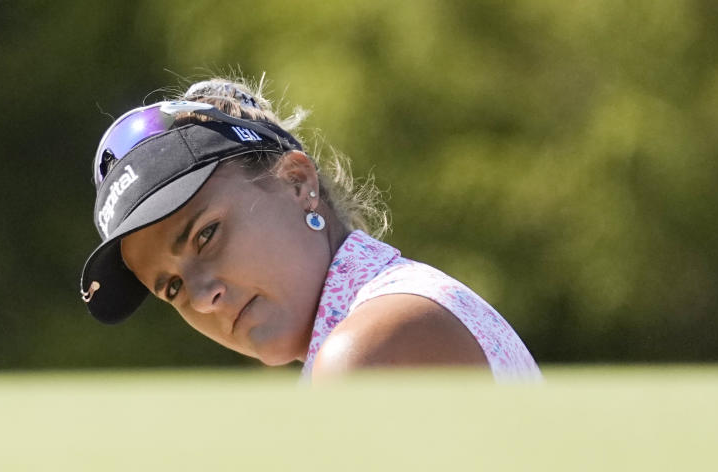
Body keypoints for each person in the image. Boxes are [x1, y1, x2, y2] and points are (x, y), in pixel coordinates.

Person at [80, 77, 539, 381]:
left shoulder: (366, 348)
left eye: (206, 234)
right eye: (172, 287)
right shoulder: (388, 312)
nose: (202, 298)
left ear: (297, 182)